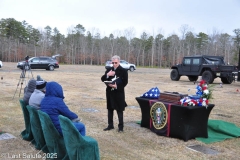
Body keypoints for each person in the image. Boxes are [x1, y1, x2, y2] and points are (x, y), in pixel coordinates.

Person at [101, 55, 128, 132]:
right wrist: (107, 75)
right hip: (110, 93)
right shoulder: (109, 69)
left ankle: (120, 127)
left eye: (116, 62)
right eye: (113, 62)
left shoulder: (123, 71)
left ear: (119, 62)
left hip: (118, 93)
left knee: (119, 110)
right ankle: (110, 125)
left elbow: (125, 82)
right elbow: (102, 79)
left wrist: (117, 86)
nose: (114, 64)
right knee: (110, 109)